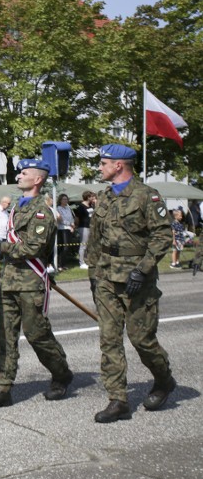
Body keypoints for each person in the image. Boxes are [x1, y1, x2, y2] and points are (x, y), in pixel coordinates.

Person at [85, 144, 175, 423]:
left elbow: (162, 236)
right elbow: (96, 240)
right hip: (106, 279)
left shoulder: (147, 195)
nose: (100, 168)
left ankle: (163, 379)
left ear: (119, 166)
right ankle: (118, 400)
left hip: (138, 280)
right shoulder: (104, 197)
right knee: (109, 339)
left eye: (103, 163)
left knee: (142, 340)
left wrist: (142, 270)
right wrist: (93, 274)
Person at [0, 159, 74, 410]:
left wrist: (0, 245)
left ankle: (61, 373)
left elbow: (32, 248)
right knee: (5, 337)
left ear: (38, 179)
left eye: (24, 173)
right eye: (19, 172)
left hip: (31, 283)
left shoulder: (42, 210)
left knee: (37, 335)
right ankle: (3, 387)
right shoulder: (16, 208)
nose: (19, 176)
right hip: (8, 280)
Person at [74, 191, 96, 269]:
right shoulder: (81, 206)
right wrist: (76, 226)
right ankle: (81, 262)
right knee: (83, 244)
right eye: (92, 197)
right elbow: (77, 218)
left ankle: (87, 260)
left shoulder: (91, 205)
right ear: (88, 197)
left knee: (89, 245)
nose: (93, 198)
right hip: (83, 227)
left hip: (90, 227)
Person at [55, 194, 76, 268]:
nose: (65, 200)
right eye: (64, 199)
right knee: (64, 247)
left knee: (67, 247)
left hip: (69, 229)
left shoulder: (68, 208)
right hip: (62, 229)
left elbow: (71, 217)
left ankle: (63, 264)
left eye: (66, 199)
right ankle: (59, 264)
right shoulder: (58, 208)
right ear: (60, 200)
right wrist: (70, 224)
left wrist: (72, 224)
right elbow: (61, 219)